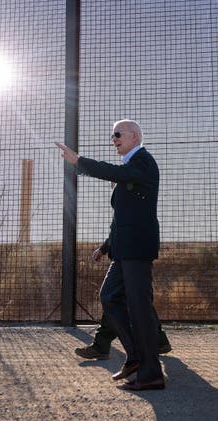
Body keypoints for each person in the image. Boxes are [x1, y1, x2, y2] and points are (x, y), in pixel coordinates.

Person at [55, 119, 165, 391]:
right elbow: (122, 218)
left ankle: (151, 373)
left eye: (118, 134)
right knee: (108, 296)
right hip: (123, 250)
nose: (113, 139)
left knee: (139, 308)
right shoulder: (131, 167)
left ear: (135, 136)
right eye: (112, 135)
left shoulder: (143, 161)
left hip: (137, 250)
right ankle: (136, 357)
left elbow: (114, 173)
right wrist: (105, 247)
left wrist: (80, 161)